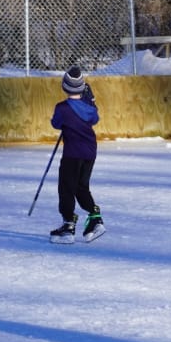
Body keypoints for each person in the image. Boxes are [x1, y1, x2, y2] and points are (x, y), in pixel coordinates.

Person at [49, 67, 105, 244]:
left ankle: (68, 225)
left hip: (72, 154)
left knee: (66, 187)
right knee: (81, 187)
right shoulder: (89, 106)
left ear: (65, 87)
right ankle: (95, 217)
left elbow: (56, 124)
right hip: (89, 152)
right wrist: (91, 100)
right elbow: (94, 119)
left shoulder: (62, 108)